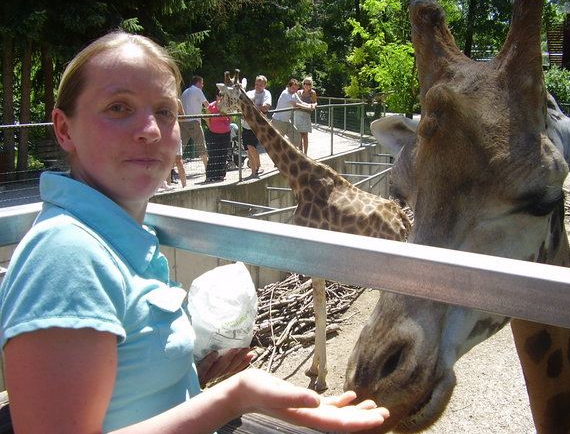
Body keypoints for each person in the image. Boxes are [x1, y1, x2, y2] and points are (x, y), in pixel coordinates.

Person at [0, 31, 390, 434]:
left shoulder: (118, 236)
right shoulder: (68, 257)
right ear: (64, 130)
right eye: (119, 108)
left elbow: (124, 393)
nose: (150, 130)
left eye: (165, 112)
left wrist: (190, 378)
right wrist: (232, 398)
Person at [271, 78, 315, 149]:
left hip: (287, 121)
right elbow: (296, 104)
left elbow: (301, 102)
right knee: (278, 143)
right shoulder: (285, 93)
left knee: (297, 137)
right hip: (278, 121)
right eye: (293, 88)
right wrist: (309, 108)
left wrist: (311, 105)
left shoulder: (294, 93)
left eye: (296, 89)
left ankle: (292, 154)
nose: (294, 90)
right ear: (288, 86)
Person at [242, 75, 272, 177]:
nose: (257, 86)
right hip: (246, 124)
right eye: (256, 84)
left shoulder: (266, 93)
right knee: (248, 149)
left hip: (257, 125)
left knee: (251, 146)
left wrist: (251, 107)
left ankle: (259, 166)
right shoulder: (249, 93)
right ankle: (253, 171)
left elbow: (265, 107)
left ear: (264, 85)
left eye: (260, 84)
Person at [180, 75, 209, 170]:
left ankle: (170, 171)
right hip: (194, 121)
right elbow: (207, 105)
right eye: (202, 83)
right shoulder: (197, 90)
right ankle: (208, 169)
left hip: (183, 122)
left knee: (180, 148)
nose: (203, 85)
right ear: (198, 83)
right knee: (201, 146)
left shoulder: (185, 92)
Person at [204, 90, 231, 182]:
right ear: (216, 96)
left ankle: (221, 174)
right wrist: (211, 127)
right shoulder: (211, 106)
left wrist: (226, 126)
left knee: (223, 154)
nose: (221, 97)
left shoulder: (227, 106)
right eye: (220, 95)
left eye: (223, 95)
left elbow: (230, 118)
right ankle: (210, 175)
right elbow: (207, 118)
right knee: (213, 154)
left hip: (226, 133)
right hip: (213, 133)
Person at [294, 77, 318, 155]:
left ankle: (305, 153)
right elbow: (296, 102)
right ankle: (301, 152)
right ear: (303, 84)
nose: (306, 85)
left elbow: (315, 102)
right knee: (299, 135)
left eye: (308, 84)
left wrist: (313, 105)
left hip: (306, 115)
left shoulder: (313, 93)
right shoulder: (299, 92)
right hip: (298, 114)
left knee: (305, 135)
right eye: (305, 83)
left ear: (311, 85)